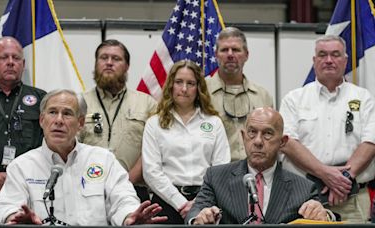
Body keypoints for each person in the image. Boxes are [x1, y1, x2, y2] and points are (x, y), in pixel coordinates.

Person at [0, 89, 167, 225]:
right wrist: (15, 218)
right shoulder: (21, 166)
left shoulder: (103, 160)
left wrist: (128, 215)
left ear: (81, 123)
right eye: (52, 112)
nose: (59, 120)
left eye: (67, 113)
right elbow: (7, 207)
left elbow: (123, 199)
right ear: (41, 120)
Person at [279, 35, 375, 223]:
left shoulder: (364, 98)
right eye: (322, 55)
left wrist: (343, 180)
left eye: (335, 54)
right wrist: (325, 173)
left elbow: (371, 141)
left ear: (345, 60)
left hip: (353, 198)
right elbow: (288, 143)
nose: (329, 60)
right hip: (304, 197)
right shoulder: (294, 99)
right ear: (314, 61)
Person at [186, 107, 334, 224]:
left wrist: (325, 216)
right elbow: (194, 213)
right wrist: (199, 219)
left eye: (267, 133)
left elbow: (323, 216)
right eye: (252, 132)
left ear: (282, 142)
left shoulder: (304, 189)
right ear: (243, 137)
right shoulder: (216, 177)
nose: (257, 141)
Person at [142, 60, 231, 224]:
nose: (184, 89)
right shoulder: (154, 123)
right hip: (166, 203)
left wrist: (199, 203)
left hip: (207, 203)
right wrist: (181, 203)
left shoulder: (214, 123)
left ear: (198, 88)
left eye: (190, 83)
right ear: (170, 86)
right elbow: (151, 171)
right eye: (179, 82)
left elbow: (221, 167)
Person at [0, 36, 46, 224]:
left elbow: (49, 146)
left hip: (29, 191)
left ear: (23, 64)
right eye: (4, 57)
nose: (10, 62)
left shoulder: (42, 99)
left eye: (16, 58)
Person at [78, 39, 156, 201]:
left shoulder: (147, 103)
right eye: (103, 58)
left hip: (133, 189)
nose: (109, 63)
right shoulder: (79, 102)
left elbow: (153, 150)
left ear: (127, 66)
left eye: (116, 59)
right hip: (86, 189)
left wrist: (126, 182)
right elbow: (70, 147)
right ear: (95, 63)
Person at [207, 27, 273, 162]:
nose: (230, 54)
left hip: (253, 171)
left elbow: (271, 138)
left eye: (236, 50)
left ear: (246, 55)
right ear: (216, 55)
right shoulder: (201, 92)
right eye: (224, 50)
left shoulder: (262, 96)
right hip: (215, 172)